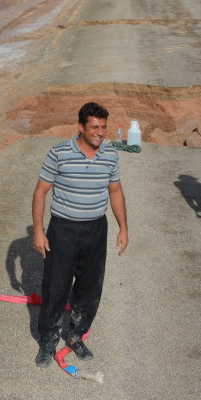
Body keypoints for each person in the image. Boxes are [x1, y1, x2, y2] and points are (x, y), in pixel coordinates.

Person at [31, 102, 129, 367]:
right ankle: (48, 340)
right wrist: (39, 232)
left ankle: (75, 335)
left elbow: (116, 192)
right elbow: (41, 192)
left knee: (89, 286)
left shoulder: (110, 154)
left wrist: (123, 228)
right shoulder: (59, 152)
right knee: (56, 287)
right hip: (63, 229)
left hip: (96, 229)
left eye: (103, 127)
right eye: (94, 127)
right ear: (81, 127)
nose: (100, 132)